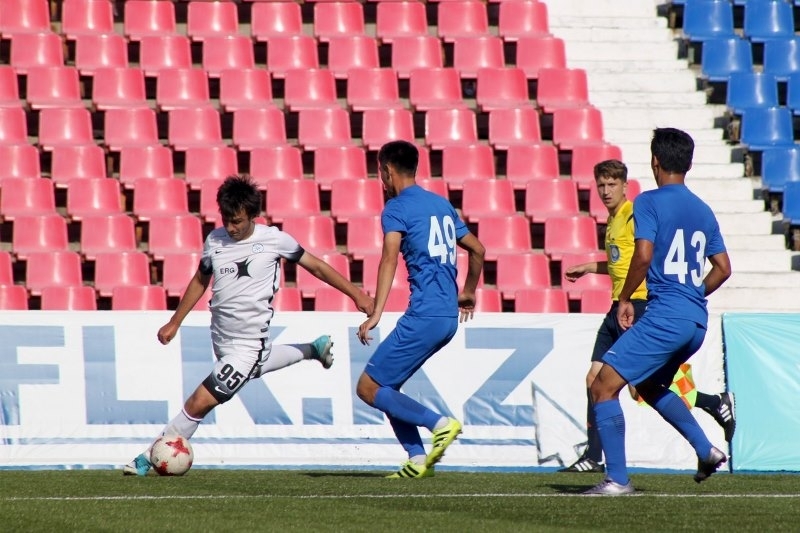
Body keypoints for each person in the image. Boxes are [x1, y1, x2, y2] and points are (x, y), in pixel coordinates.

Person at [123, 175, 374, 475]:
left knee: (199, 401)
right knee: (257, 367)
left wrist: (357, 295)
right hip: (221, 339)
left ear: (253, 215)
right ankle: (312, 349)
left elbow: (317, 267)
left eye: (238, 221)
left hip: (247, 345)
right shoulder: (215, 241)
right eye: (226, 219)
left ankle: (148, 457)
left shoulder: (274, 240)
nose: (231, 227)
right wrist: (175, 321)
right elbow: (201, 279)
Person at [560, 159, 736, 474]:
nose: (606, 191)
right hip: (620, 307)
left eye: (612, 184)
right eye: (601, 185)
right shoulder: (614, 220)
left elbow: (645, 256)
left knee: (626, 386)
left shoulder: (636, 212)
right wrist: (589, 267)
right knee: (602, 381)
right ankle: (596, 454)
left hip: (638, 306)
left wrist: (633, 297)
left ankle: (709, 404)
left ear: (626, 185)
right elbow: (621, 262)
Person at [355, 140, 485, 479]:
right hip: (446, 317)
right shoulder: (441, 204)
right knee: (387, 388)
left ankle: (440, 424)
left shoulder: (396, 208)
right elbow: (478, 249)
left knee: (368, 387)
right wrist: (468, 291)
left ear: (386, 170)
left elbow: (388, 258)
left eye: (380, 171)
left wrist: (376, 312)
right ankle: (416, 458)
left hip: (424, 314)